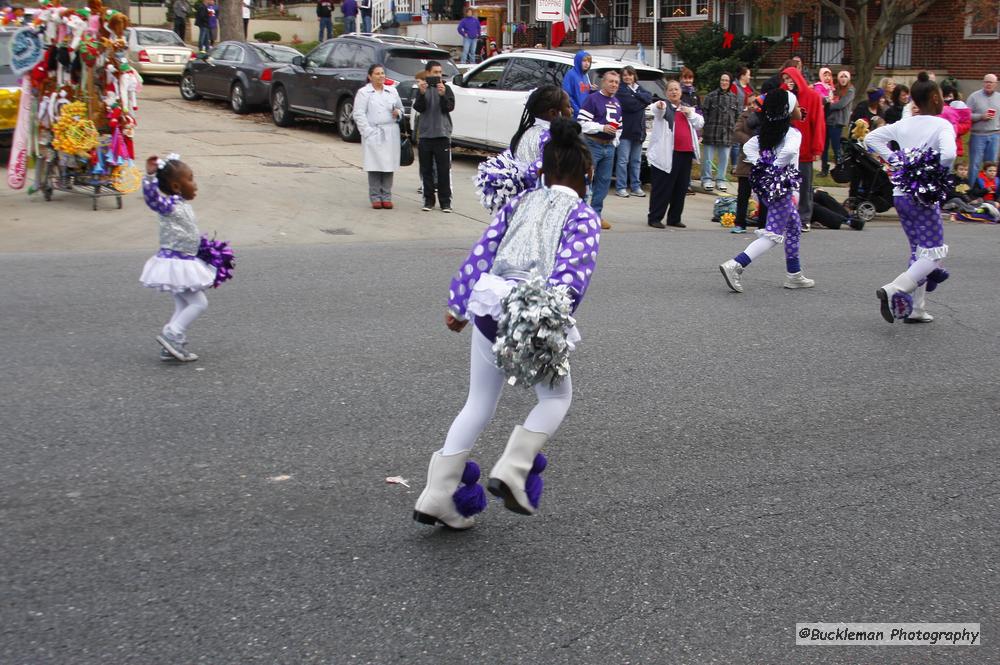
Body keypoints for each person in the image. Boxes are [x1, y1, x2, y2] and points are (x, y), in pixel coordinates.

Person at [413, 117, 601, 529]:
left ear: (543, 170)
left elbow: (482, 253)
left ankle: (438, 493)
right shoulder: (584, 216)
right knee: (555, 399)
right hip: (532, 312)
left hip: (489, 306)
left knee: (478, 402)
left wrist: (459, 305)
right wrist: (549, 326)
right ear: (586, 173)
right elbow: (572, 277)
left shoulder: (518, 203)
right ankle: (515, 470)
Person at [864, 71, 956, 324]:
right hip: (923, 196)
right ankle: (894, 289)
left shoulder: (904, 124)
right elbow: (948, 154)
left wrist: (898, 161)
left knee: (919, 250)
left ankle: (917, 308)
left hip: (901, 195)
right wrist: (933, 171)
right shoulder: (942, 125)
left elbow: (871, 138)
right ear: (936, 98)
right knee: (934, 253)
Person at [720, 90, 815, 293]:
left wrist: (763, 166)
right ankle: (736, 264)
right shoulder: (792, 134)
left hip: (772, 187)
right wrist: (776, 168)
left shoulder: (766, 135)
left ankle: (794, 274)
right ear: (787, 111)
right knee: (772, 235)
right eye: (796, 106)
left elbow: (749, 148)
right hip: (783, 189)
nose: (800, 109)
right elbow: (789, 152)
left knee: (794, 227)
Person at [140, 154, 217, 362]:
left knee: (183, 305)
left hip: (184, 262)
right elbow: (152, 200)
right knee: (199, 303)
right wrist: (149, 178)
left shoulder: (182, 204)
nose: (195, 184)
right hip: (176, 264)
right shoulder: (170, 205)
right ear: (176, 186)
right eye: (190, 179)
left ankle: (172, 344)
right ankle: (171, 334)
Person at [647, 79, 704, 229]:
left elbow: (700, 123)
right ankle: (655, 217)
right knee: (663, 187)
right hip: (667, 154)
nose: (674, 92)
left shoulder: (687, 109)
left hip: (685, 153)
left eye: (676, 89)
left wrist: (690, 114)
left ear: (681, 92)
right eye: (671, 90)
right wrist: (659, 105)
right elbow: (656, 109)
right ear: (666, 93)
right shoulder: (665, 106)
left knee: (681, 187)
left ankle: (674, 218)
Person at [353, 64, 404, 209]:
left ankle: (386, 196)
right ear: (370, 76)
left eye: (382, 73)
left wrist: (398, 113)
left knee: (388, 165)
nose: (381, 76)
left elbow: (400, 108)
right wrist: (367, 131)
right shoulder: (364, 93)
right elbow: (359, 113)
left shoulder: (392, 91)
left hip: (390, 131)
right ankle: (375, 196)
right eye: (377, 73)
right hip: (374, 131)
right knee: (375, 165)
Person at [782, 65, 825, 232]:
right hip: (786, 147)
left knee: (805, 184)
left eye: (790, 78)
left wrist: (817, 148)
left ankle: (805, 217)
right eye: (785, 79)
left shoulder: (812, 97)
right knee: (786, 183)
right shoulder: (784, 95)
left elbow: (818, 123)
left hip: (805, 147)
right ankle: (787, 215)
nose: (788, 82)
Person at [578, 70, 621, 229]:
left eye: (616, 82)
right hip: (592, 144)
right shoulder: (592, 99)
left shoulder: (617, 102)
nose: (614, 85)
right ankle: (579, 215)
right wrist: (601, 127)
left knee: (603, 182)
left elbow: (620, 126)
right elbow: (581, 122)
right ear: (604, 82)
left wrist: (615, 140)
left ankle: (596, 215)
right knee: (584, 180)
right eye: (611, 81)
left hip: (609, 147)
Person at [414, 60, 455, 213]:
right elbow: (418, 108)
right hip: (425, 135)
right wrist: (422, 93)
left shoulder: (446, 88)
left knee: (443, 170)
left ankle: (445, 202)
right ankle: (428, 200)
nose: (438, 75)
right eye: (435, 72)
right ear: (428, 73)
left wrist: (443, 95)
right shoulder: (422, 88)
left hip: (442, 134)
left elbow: (449, 107)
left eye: (440, 72)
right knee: (426, 170)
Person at [615, 65, 652, 197]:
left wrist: (637, 96)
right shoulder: (620, 90)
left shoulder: (638, 88)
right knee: (623, 161)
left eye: (629, 74)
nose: (627, 77)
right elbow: (629, 105)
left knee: (636, 161)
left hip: (639, 131)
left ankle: (636, 186)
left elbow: (649, 97)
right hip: (625, 131)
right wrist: (641, 101)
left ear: (634, 76)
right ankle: (621, 187)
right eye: (624, 75)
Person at [700, 72, 739, 191]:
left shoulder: (734, 98)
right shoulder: (711, 96)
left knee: (724, 159)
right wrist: (707, 126)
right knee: (708, 158)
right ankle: (706, 179)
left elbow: (737, 115)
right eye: (722, 80)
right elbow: (704, 112)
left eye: (726, 80)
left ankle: (720, 179)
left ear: (730, 82)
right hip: (711, 132)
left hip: (727, 133)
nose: (724, 82)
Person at [732, 97, 765, 234]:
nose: (752, 106)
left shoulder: (765, 117)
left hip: (762, 160)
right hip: (745, 160)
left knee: (763, 195)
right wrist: (751, 142)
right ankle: (740, 222)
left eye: (755, 103)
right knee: (743, 194)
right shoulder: (743, 116)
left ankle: (763, 224)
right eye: (750, 103)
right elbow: (737, 131)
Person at [966, 74, 1000, 186]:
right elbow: (966, 115)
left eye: (991, 82)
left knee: (991, 165)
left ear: (996, 84)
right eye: (986, 82)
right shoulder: (974, 97)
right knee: (975, 164)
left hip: (995, 135)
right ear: (983, 82)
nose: (988, 84)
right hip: (978, 135)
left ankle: (989, 190)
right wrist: (981, 116)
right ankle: (971, 190)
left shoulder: (999, 98)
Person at [820, 71, 854, 177]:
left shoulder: (850, 90)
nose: (843, 79)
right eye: (841, 77)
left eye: (845, 77)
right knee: (824, 147)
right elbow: (824, 99)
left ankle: (840, 168)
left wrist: (828, 105)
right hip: (827, 120)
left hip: (838, 122)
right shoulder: (834, 89)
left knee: (836, 146)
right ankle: (824, 169)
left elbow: (841, 104)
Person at [729, 67, 755, 172]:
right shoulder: (735, 87)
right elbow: (732, 100)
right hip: (738, 116)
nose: (750, 77)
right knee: (736, 142)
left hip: (749, 117)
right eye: (748, 74)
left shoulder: (750, 87)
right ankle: (735, 165)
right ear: (742, 76)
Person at [562, 51, 593, 116]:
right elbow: (567, 95)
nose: (587, 64)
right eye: (584, 61)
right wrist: (577, 111)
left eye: (589, 61)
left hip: (585, 114)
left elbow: (584, 93)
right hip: (576, 114)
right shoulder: (571, 74)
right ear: (578, 61)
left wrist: (592, 90)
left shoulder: (585, 75)